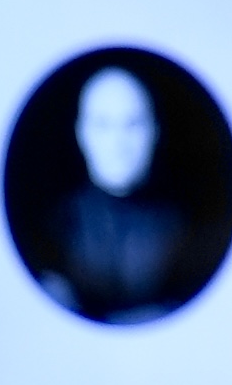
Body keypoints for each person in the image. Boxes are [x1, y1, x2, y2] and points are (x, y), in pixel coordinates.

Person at [40, 62, 186, 322]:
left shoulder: (183, 231)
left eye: (132, 124)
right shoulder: (54, 231)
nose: (118, 143)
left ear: (154, 132)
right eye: (103, 125)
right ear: (82, 133)